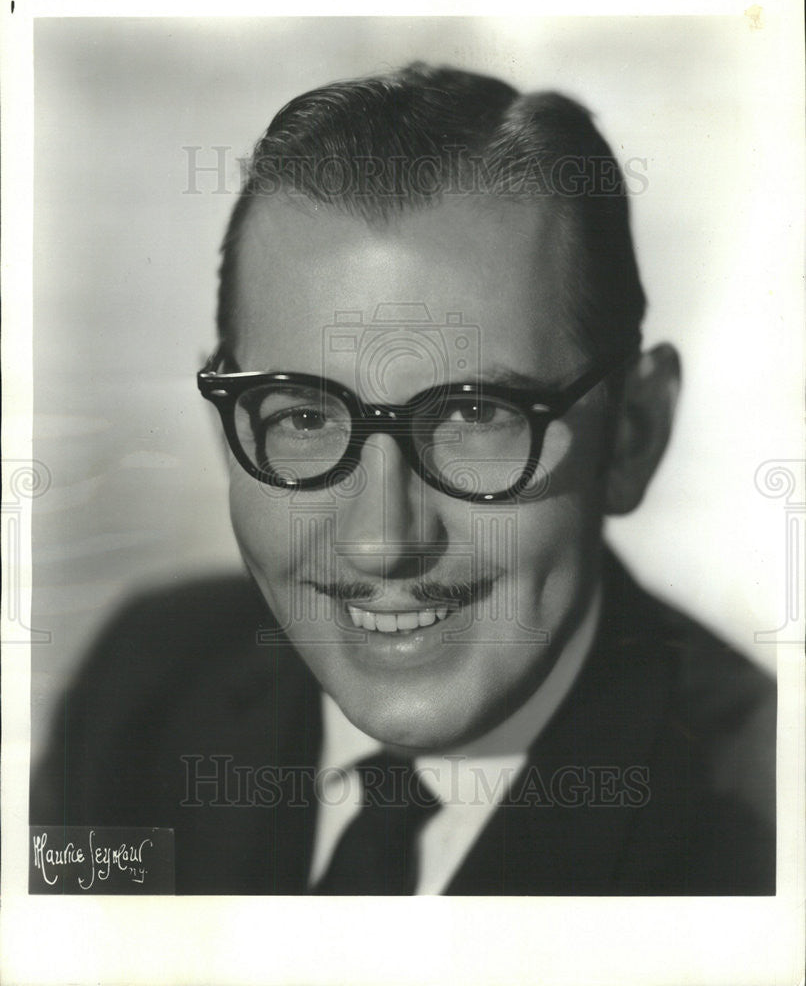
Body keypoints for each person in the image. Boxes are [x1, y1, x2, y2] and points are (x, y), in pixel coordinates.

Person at [31, 63, 775, 895]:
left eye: (475, 416)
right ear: (231, 427)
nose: (382, 541)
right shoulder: (144, 691)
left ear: (634, 434)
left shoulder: (762, 843)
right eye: (305, 419)